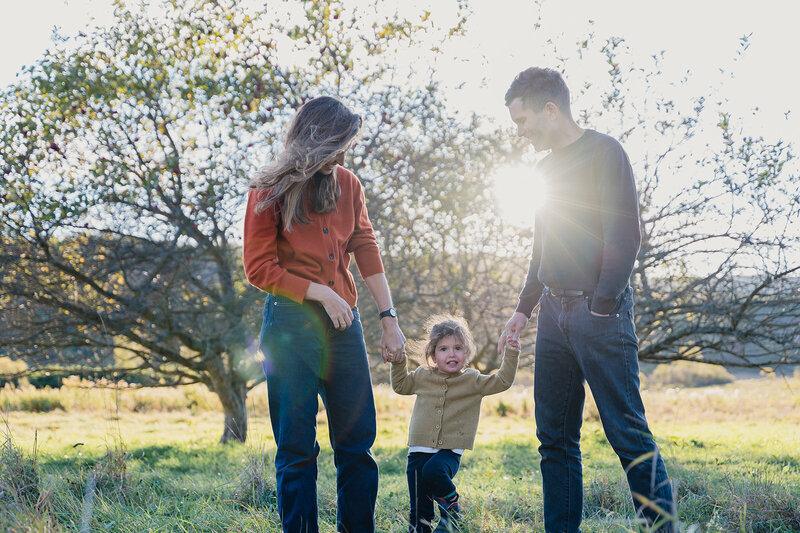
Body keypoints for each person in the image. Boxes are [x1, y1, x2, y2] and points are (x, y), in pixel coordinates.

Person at [497, 68, 675, 533]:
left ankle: (661, 529)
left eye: (523, 121)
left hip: (602, 313)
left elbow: (625, 235)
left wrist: (601, 303)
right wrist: (524, 308)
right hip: (553, 317)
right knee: (554, 440)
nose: (521, 132)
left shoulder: (605, 152)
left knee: (628, 435)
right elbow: (542, 246)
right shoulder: (544, 169)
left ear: (550, 110)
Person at [243, 95, 406, 533]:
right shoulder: (268, 189)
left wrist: (388, 318)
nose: (344, 154)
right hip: (291, 326)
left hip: (344, 327)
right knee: (296, 447)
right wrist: (320, 293)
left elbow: (366, 247)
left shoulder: (349, 184)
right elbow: (258, 268)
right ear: (317, 139)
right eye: (340, 144)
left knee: (357, 443)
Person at [391, 315, 520, 533]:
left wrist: (512, 353)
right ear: (432, 354)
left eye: (458, 348)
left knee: (434, 471)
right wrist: (398, 362)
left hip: (449, 452)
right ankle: (422, 528)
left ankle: (452, 513)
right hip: (417, 450)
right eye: (443, 349)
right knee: (419, 508)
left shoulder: (473, 380)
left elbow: (503, 381)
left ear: (466, 353)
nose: (452, 353)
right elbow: (401, 386)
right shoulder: (422, 375)